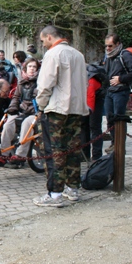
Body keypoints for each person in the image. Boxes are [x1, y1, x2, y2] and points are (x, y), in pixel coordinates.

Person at [33, 25, 88, 207]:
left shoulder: (53, 54)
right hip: (76, 108)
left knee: (54, 150)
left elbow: (45, 84)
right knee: (73, 148)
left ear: (49, 37)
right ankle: (72, 188)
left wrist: (40, 105)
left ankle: (54, 194)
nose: (43, 44)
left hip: (56, 110)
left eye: (42, 41)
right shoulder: (78, 55)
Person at [0, 58, 41, 168]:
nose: (32, 69)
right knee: (8, 123)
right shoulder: (21, 83)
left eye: (34, 67)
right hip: (23, 111)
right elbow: (16, 97)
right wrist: (12, 108)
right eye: (30, 66)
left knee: (26, 123)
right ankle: (4, 154)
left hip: (36, 112)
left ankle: (20, 155)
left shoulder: (41, 82)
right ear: (25, 68)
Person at [103, 33, 132, 151]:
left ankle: (119, 145)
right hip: (109, 91)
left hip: (121, 91)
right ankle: (114, 143)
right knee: (110, 118)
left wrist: (121, 79)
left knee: (119, 118)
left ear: (118, 44)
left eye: (110, 46)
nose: (108, 48)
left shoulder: (125, 55)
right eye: (106, 46)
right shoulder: (108, 56)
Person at [81, 62, 107, 161]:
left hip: (96, 99)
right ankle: (84, 154)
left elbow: (90, 95)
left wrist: (89, 111)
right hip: (86, 100)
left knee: (94, 126)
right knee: (84, 126)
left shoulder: (89, 78)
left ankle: (96, 155)